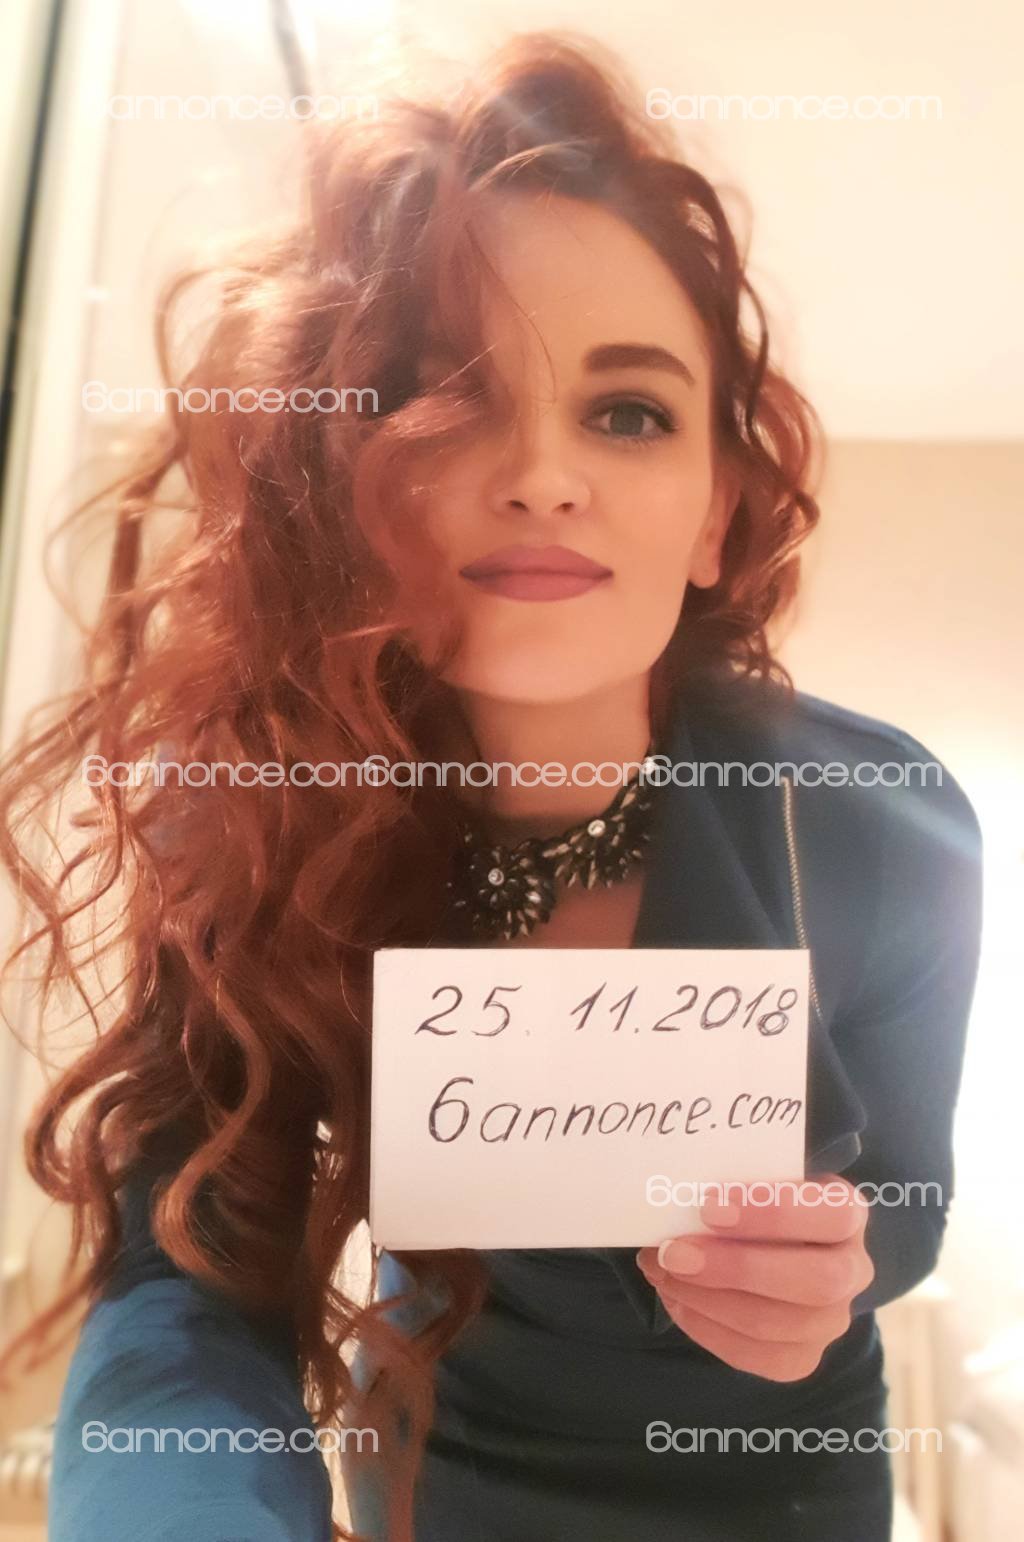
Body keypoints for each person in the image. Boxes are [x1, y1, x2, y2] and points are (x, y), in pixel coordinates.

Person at [0, 31, 983, 1542]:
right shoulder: (259, 815)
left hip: (784, 1493)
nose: (541, 472)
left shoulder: (879, 823)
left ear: (714, 514)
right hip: (438, 1481)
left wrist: (839, 1262)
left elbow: (910, 1198)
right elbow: (192, 1260)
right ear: (338, 480)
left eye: (629, 411)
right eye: (442, 397)